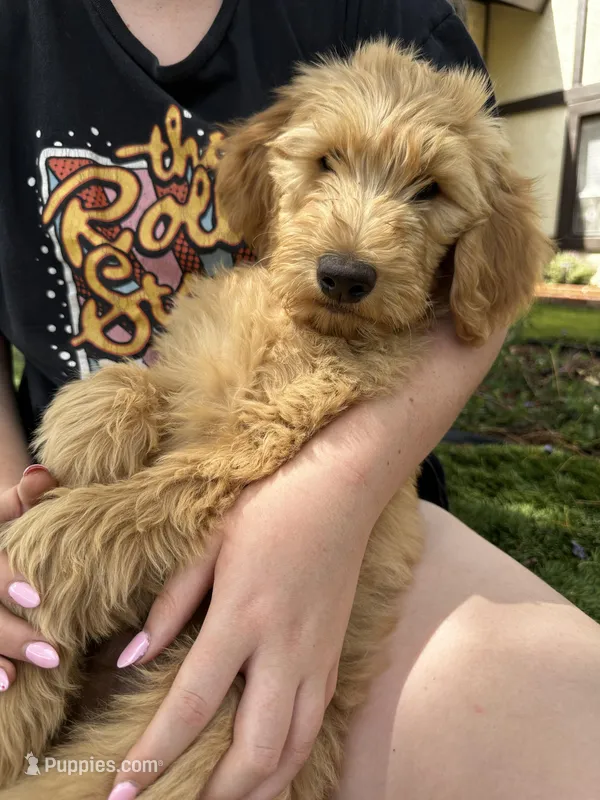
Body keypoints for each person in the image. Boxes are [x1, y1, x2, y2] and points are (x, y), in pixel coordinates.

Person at [0, 2, 599, 799]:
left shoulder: (377, 9)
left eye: (427, 193)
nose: (356, 244)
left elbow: (479, 311)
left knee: (557, 708)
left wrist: (326, 503)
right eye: (327, 165)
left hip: (353, 501)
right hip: (57, 485)